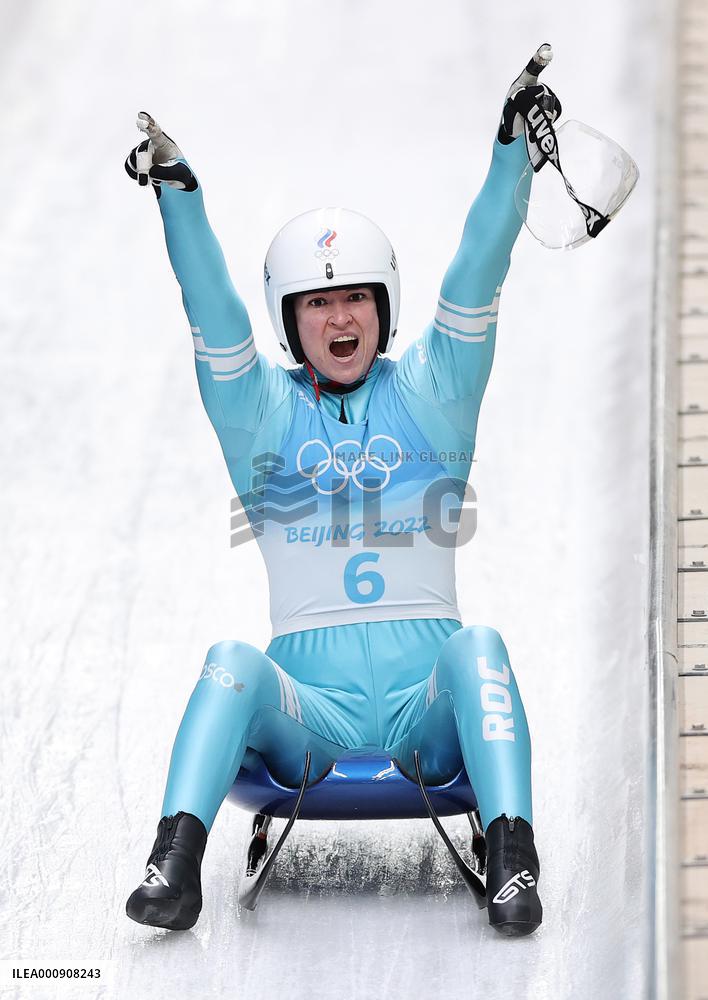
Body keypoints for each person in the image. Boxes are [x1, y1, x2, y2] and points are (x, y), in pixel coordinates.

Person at [123, 45, 558, 937]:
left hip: (421, 716)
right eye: (318, 304)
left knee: (481, 646)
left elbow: (478, 270)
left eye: (356, 297)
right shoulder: (262, 418)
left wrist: (512, 147)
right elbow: (210, 311)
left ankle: (514, 860)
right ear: (291, 319)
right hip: (308, 720)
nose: (341, 317)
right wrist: (178, 191)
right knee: (230, 660)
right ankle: (173, 865)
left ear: (383, 307)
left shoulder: (435, 395)